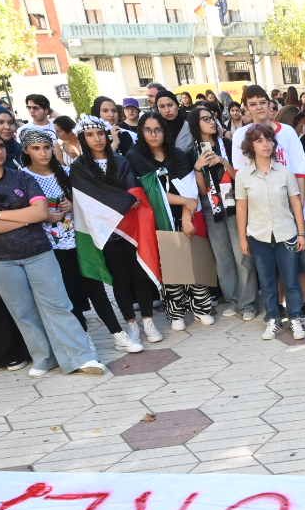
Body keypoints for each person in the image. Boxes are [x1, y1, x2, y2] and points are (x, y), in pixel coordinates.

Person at [0, 127, 106, 378]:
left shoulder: (22, 178)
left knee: (58, 304)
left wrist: (0, 215)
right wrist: (24, 218)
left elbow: (40, 213)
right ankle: (44, 357)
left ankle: (81, 357)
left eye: (0, 146)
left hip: (38, 251)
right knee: (23, 311)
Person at [17, 126, 138, 353]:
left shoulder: (66, 171)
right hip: (50, 247)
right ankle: (82, 341)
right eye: (36, 148)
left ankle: (118, 334)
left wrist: (73, 205)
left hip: (79, 239)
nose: (43, 153)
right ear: (26, 150)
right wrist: (43, 214)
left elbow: (86, 199)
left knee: (96, 288)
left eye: (46, 148)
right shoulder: (23, 178)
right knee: (69, 294)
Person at [74, 116, 161, 342]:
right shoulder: (79, 168)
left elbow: (134, 194)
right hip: (106, 234)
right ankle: (131, 323)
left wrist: (115, 201)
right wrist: (116, 201)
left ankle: (148, 321)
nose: (97, 139)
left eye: (101, 134)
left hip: (131, 229)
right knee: (119, 279)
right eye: (91, 135)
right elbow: (89, 199)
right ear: (83, 138)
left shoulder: (121, 161)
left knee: (139, 275)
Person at [128, 111, 212, 331]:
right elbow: (150, 192)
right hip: (156, 218)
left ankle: (201, 307)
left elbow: (189, 186)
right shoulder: (135, 157)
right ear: (141, 132)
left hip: (184, 214)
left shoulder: (178, 154)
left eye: (158, 130)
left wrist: (186, 216)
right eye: (148, 130)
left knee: (192, 261)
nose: (154, 134)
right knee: (168, 265)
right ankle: (176, 312)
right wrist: (184, 200)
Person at [234, 121, 305, 341]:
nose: (265, 144)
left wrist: (301, 233)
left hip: (286, 234)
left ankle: (295, 318)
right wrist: (242, 238)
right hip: (258, 235)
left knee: (291, 280)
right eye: (259, 141)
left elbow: (296, 203)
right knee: (266, 282)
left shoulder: (284, 172)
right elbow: (241, 208)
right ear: (251, 146)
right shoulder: (243, 176)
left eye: (268, 140)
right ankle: (273, 319)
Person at [188, 107, 251, 320]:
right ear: (196, 125)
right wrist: (198, 168)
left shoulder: (228, 145)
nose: (211, 122)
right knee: (222, 257)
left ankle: (248, 302)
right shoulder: (190, 151)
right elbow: (197, 190)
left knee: (242, 253)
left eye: (212, 118)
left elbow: (241, 178)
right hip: (210, 206)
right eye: (205, 119)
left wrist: (223, 162)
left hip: (234, 202)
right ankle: (233, 299)